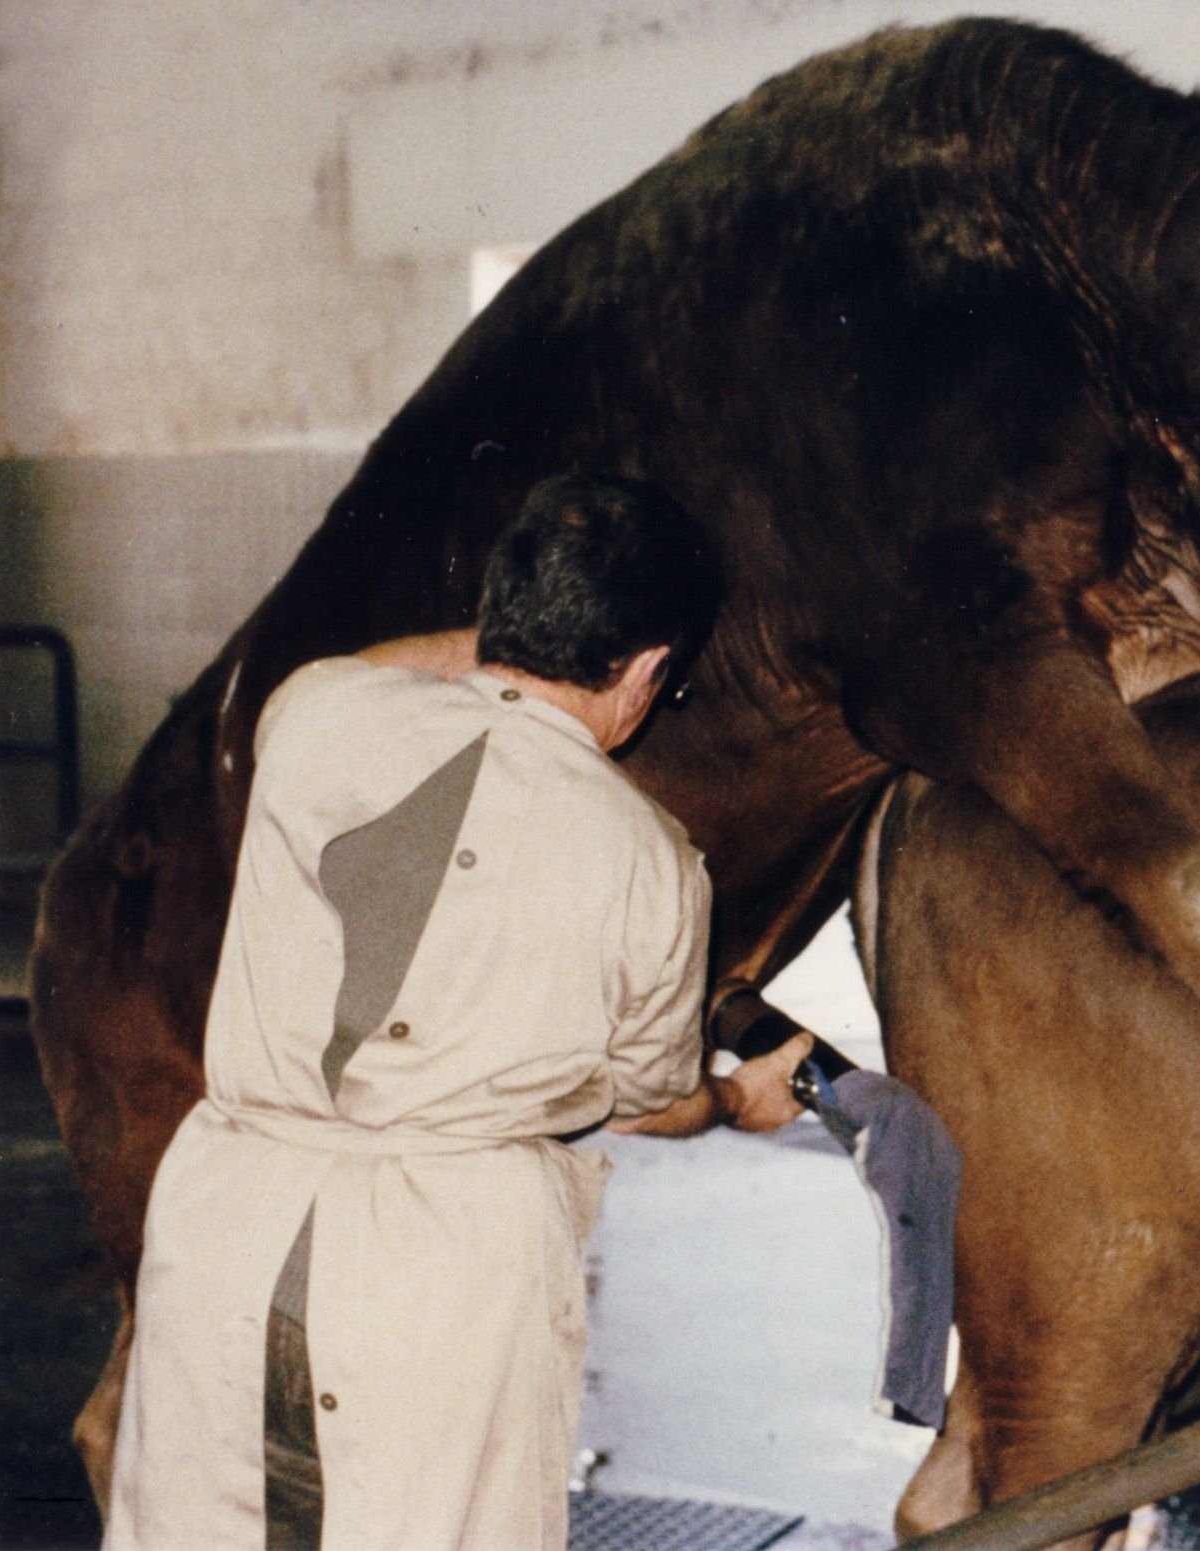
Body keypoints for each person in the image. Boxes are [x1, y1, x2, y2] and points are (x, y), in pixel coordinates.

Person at [105, 474, 805, 1550]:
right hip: (438, 1277)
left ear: (497, 612)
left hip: (226, 1222)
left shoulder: (313, 711)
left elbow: (394, 668)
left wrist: (514, 643)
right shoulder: (649, 862)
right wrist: (735, 1099)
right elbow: (644, 1103)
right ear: (653, 669)